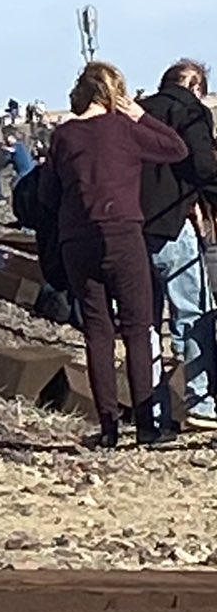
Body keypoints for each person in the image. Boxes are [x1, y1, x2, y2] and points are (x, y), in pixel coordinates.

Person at [36, 60, 187, 447]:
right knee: (137, 328)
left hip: (78, 240)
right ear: (115, 93)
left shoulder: (63, 136)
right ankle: (147, 428)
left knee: (98, 332)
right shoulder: (124, 128)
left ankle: (108, 429)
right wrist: (140, 117)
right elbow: (176, 149)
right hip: (123, 233)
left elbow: (47, 196)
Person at [140, 58, 217, 433]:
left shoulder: (135, 112)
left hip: (132, 227)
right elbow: (202, 167)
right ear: (195, 86)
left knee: (145, 324)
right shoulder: (190, 111)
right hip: (174, 223)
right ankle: (200, 400)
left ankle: (153, 415)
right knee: (194, 313)